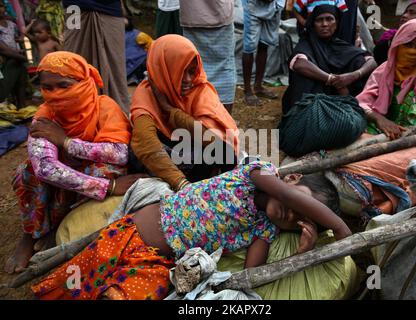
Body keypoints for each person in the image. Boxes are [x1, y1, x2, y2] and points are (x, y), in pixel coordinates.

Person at [31, 160, 352, 300]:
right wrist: (339, 228)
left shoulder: (264, 229)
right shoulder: (258, 174)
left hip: (159, 262)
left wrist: (302, 252)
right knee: (69, 287)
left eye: (297, 220)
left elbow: (251, 274)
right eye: (300, 203)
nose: (290, 212)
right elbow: (287, 197)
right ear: (293, 181)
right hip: (126, 236)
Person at [4, 52, 145, 274]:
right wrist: (108, 187)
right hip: (61, 181)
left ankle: (61, 225)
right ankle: (32, 233)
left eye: (64, 85)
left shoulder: (105, 107)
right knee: (27, 172)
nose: (56, 94)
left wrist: (66, 142)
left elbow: (119, 154)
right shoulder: (45, 115)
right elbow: (46, 168)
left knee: (106, 169)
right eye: (47, 88)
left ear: (84, 81)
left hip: (87, 176)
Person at [130, 35, 239, 192]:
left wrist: (169, 110)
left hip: (191, 156)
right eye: (182, 73)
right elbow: (146, 144)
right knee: (135, 150)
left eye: (192, 72)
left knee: (221, 151)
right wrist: (181, 183)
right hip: (171, 159)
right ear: (166, 69)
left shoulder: (200, 89)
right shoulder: (146, 93)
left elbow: (221, 145)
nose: (188, 79)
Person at [357, 19, 416, 154]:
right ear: (397, 44)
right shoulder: (384, 70)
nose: (412, 52)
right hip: (385, 128)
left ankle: (410, 152)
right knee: (357, 126)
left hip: (414, 133)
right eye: (408, 44)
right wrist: (380, 119)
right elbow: (361, 103)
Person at [282, 4, 377, 113]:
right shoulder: (307, 43)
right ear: (313, 24)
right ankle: (305, 115)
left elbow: (372, 61)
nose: (324, 24)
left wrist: (354, 75)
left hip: (341, 97)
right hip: (315, 101)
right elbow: (299, 64)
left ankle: (358, 108)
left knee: (359, 62)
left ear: (336, 24)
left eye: (329, 19)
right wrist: (332, 80)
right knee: (303, 75)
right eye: (319, 20)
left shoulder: (341, 45)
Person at [62, 0, 130, 112]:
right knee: (74, 60)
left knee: (113, 64)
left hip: (110, 10)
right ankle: (74, 110)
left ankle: (115, 112)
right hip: (74, 8)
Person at [179, 0, 236, 113]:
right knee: (224, 67)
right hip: (220, 15)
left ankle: (199, 116)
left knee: (194, 67)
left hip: (192, 16)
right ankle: (224, 120)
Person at [241, 0, 285, 106]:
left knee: (265, 43)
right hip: (253, 5)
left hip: (274, 5)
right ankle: (247, 89)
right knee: (249, 46)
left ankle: (258, 86)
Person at [373, 0, 416, 66]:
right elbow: (378, 57)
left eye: (412, 13)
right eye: (405, 12)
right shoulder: (391, 34)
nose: (404, 15)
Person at [0, 1, 27, 108]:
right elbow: (2, 49)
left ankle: (21, 105)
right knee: (17, 63)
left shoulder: (11, 24)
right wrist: (20, 56)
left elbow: (16, 40)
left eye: (1, 6)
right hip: (5, 58)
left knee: (19, 67)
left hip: (12, 56)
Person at [124, 16, 152, 85]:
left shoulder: (139, 35)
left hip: (139, 62)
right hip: (125, 63)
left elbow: (153, 46)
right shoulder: (116, 35)